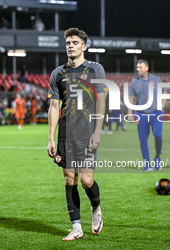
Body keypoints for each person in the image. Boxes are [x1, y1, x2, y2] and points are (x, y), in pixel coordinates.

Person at [47, 28, 106, 241]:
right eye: (68, 42)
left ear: (84, 47)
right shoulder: (57, 74)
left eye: (74, 42)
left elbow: (101, 101)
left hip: (88, 133)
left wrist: (98, 131)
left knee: (86, 180)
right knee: (69, 179)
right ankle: (76, 227)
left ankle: (96, 206)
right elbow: (54, 107)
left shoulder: (95, 69)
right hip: (66, 135)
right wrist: (51, 137)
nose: (70, 45)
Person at [128, 60, 166, 171]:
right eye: (137, 67)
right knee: (143, 139)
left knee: (158, 135)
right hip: (141, 114)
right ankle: (147, 163)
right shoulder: (135, 82)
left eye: (140, 67)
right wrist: (130, 113)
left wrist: (162, 107)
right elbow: (131, 98)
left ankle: (157, 157)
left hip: (156, 113)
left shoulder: (156, 79)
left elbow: (164, 92)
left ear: (146, 68)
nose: (138, 69)